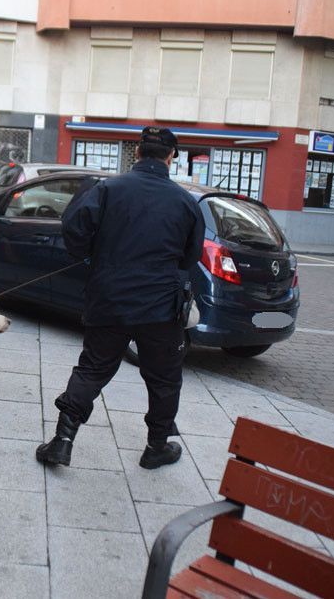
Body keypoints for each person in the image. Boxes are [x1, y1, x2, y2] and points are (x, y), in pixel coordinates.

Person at [36, 126, 205, 470]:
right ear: (172, 157)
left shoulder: (107, 189)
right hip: (161, 307)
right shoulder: (186, 203)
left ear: (138, 153)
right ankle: (157, 446)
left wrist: (92, 256)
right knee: (164, 378)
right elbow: (191, 258)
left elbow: (73, 227)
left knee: (93, 369)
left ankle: (62, 441)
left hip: (109, 298)